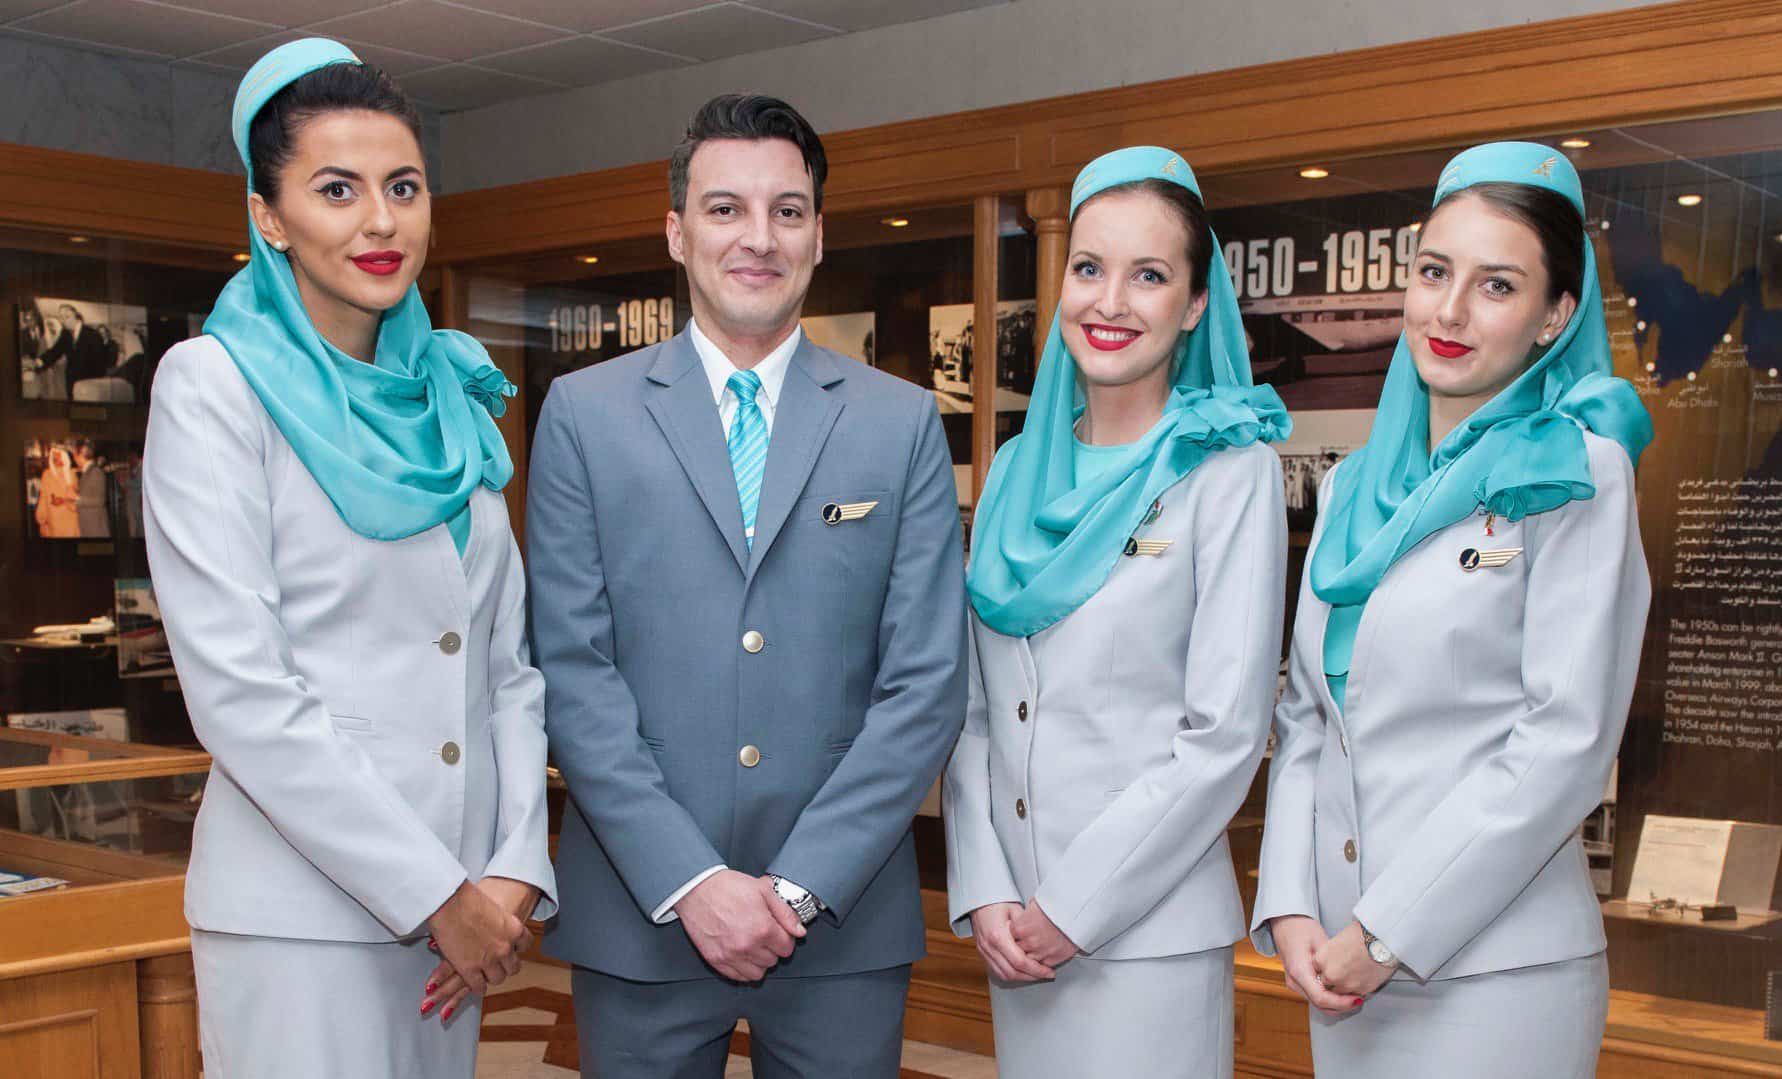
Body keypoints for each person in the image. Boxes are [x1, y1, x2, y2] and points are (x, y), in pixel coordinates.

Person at [527, 93, 967, 1078]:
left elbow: (926, 682)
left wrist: (801, 886)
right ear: (678, 232)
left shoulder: (898, 423)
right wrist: (691, 880)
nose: (757, 237)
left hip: (840, 925)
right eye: (725, 209)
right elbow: (572, 669)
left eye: (787, 210)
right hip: (643, 912)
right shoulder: (584, 417)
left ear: (819, 235)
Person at [142, 39, 553, 1079]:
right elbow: (242, 690)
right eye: (338, 189)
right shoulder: (213, 388)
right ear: (268, 215)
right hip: (304, 920)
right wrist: (437, 893)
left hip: (459, 919)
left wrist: (512, 871)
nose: (381, 220)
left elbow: (503, 665)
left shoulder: (448, 398)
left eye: (403, 187)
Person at [1250, 142, 1653, 1078]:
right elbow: (1309, 716)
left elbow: (1564, 743)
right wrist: (1295, 906)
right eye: (1435, 271)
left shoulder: (1581, 472)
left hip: (1497, 976)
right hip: (1341, 967)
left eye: (1498, 285)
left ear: (1557, 315)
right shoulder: (1353, 485)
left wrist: (1386, 930)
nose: (1451, 310)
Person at [944, 146, 1291, 1079]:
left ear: (1195, 304)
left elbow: (1221, 734)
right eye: (1089, 268)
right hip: (1014, 933)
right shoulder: (1016, 466)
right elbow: (974, 708)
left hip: (1144, 938)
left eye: (1149, 276)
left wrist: (1072, 906)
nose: (1110, 302)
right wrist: (984, 890)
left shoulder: (1230, 470)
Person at [34, 445, 80, 537]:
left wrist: (63, 501)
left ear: (64, 457)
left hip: (70, 520)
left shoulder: (72, 474)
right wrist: (42, 521)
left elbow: (78, 500)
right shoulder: (47, 474)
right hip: (53, 521)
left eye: (58, 456)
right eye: (53, 457)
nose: (55, 459)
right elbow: (43, 498)